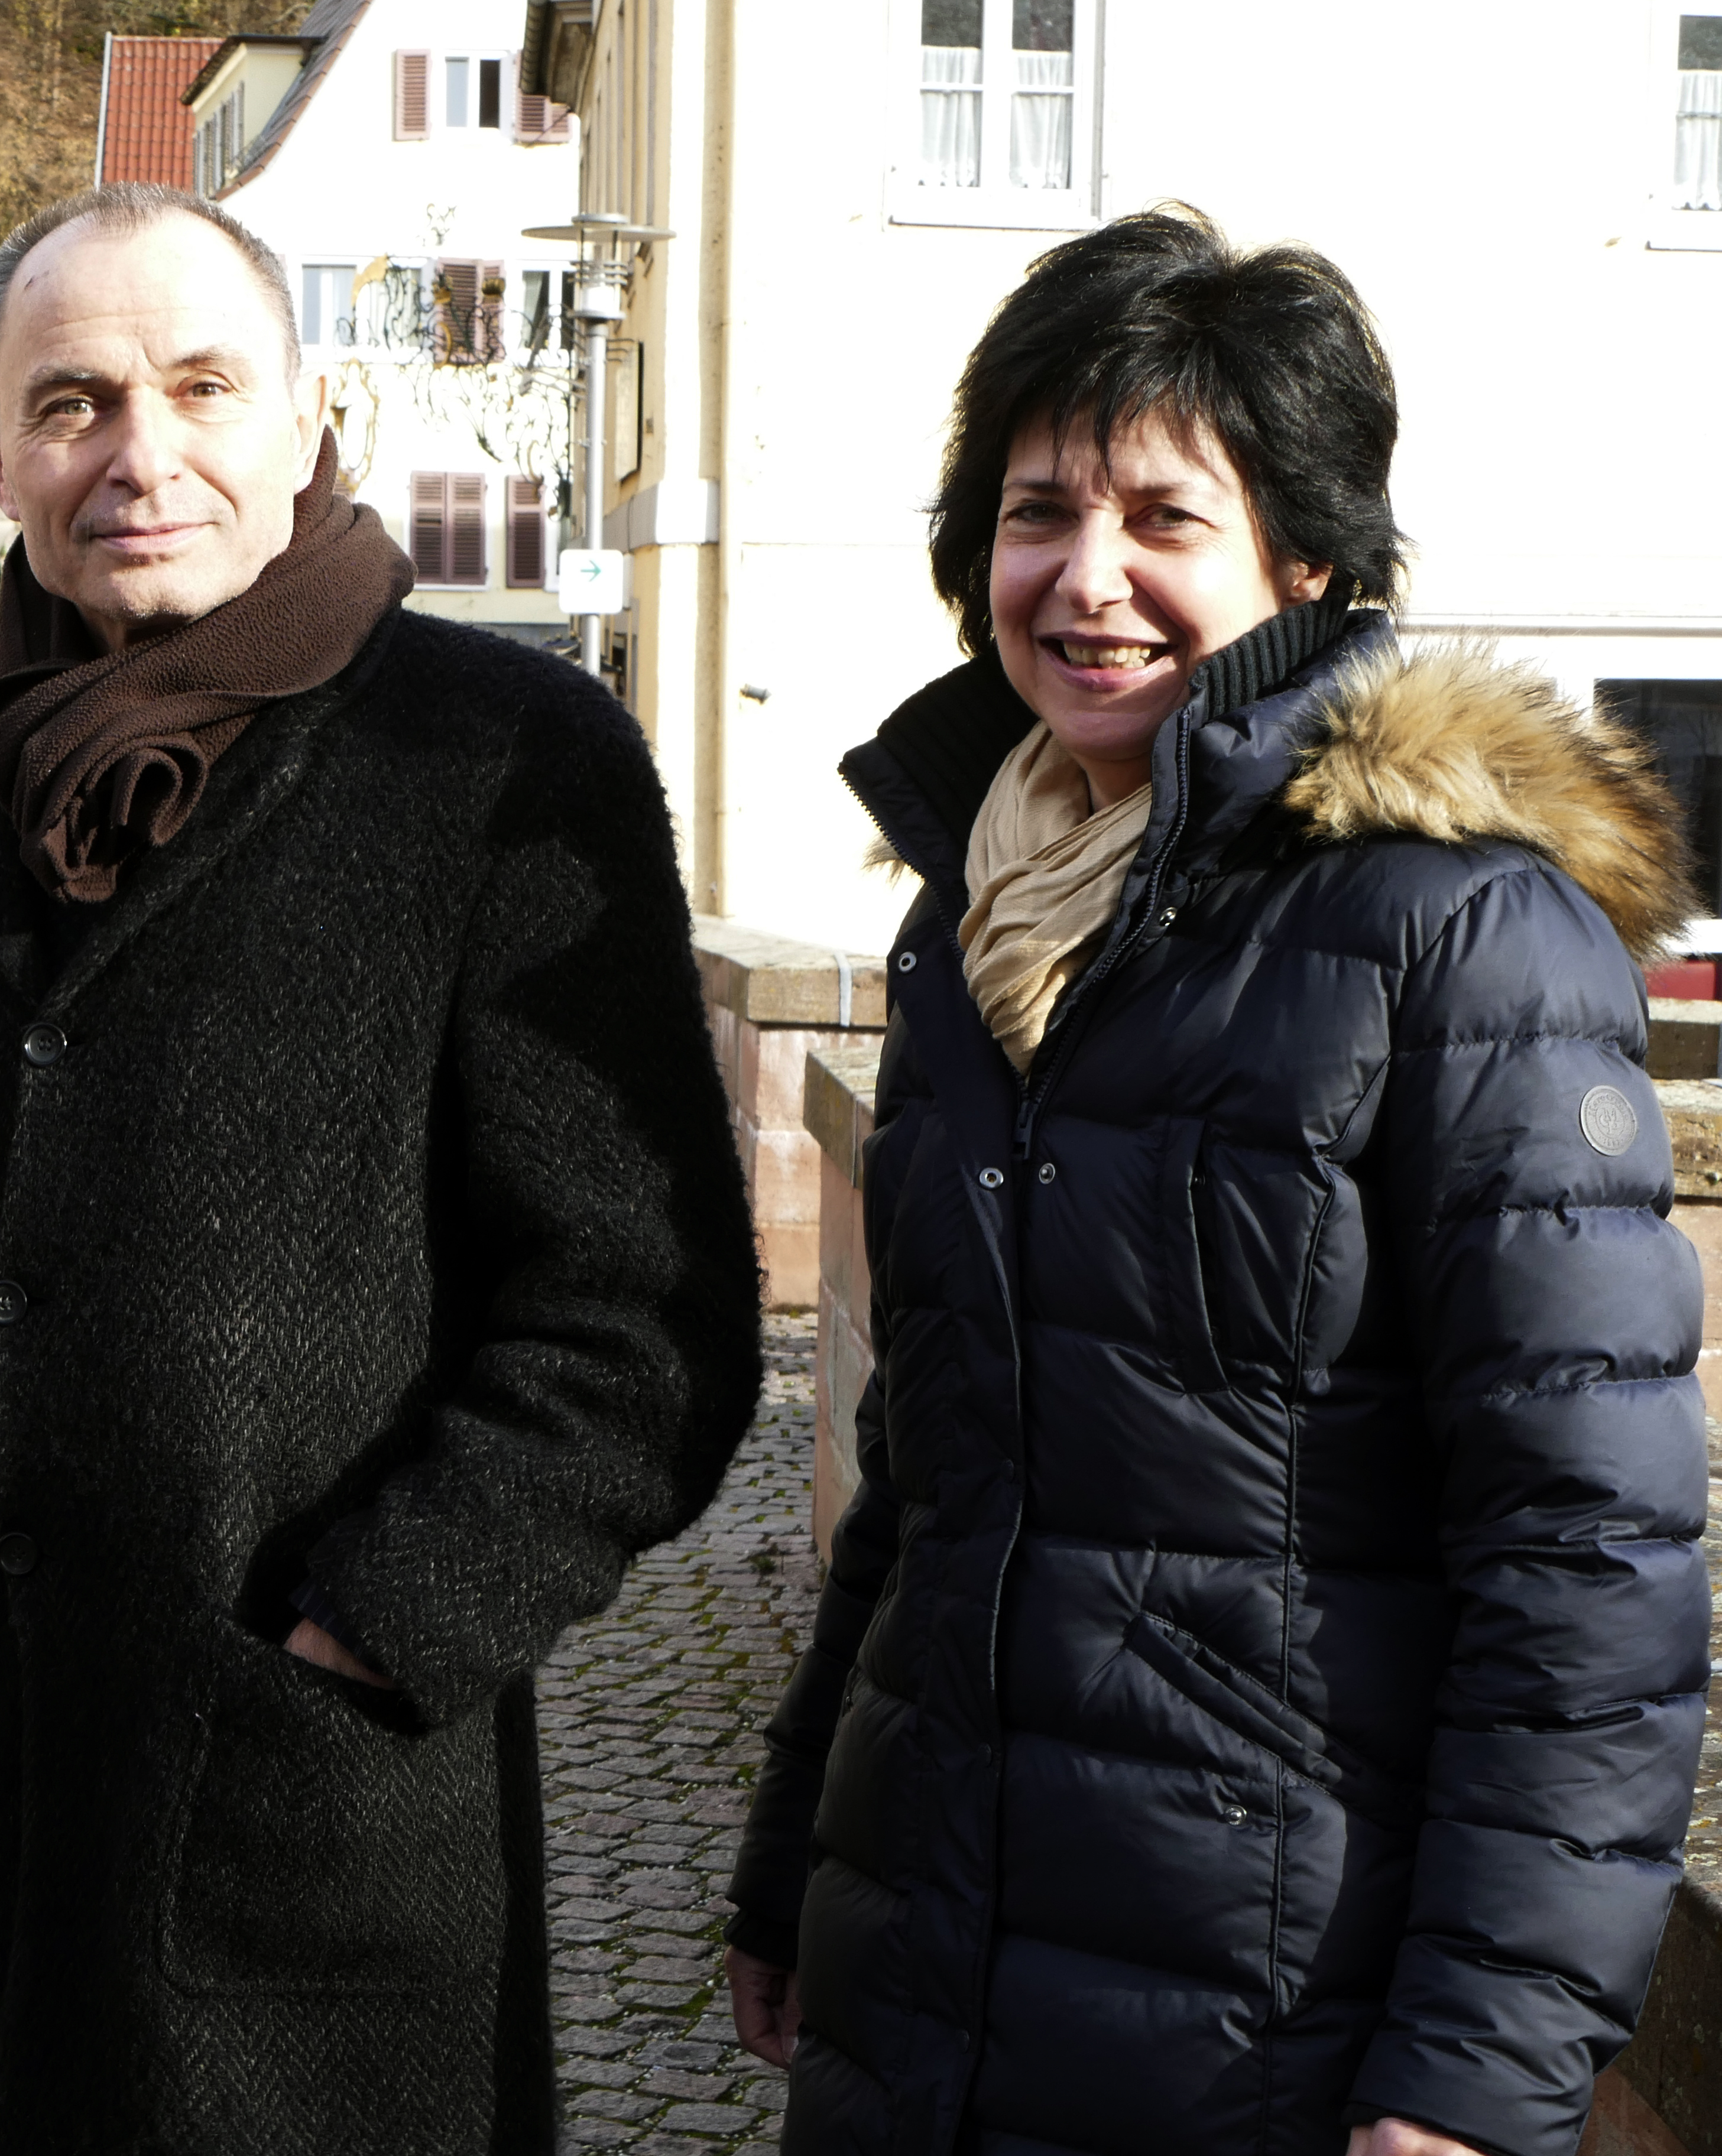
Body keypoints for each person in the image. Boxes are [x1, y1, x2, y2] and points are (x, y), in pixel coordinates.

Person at [723, 207, 1708, 2156]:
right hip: (934, 1976)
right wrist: (794, 1868)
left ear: (1303, 561)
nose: (1086, 579)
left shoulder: (1454, 939)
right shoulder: (978, 923)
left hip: (1269, 2022)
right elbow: (924, 1484)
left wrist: (1479, 2067)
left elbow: (1585, 1560)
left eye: (1163, 518)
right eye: (1036, 514)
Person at [0, 181, 764, 2155]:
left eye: (202, 387)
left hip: (318, 1818)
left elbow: (644, 1321)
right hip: (2, 1818)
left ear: (312, 417)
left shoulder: (499, 758)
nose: (138, 455)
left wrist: (377, 1629)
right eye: (72, 402)